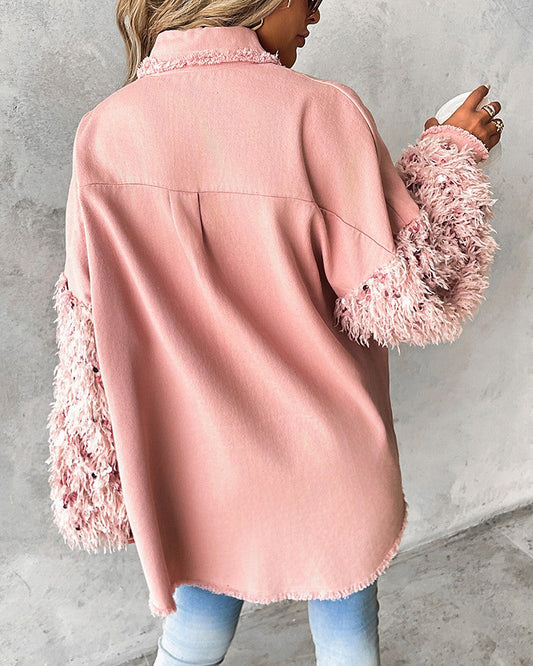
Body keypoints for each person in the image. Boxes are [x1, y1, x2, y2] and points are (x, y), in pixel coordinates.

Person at [46, 0, 503, 664]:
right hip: (327, 458)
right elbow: (412, 294)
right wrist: (449, 154)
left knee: (192, 639)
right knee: (347, 642)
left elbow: (89, 327)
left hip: (193, 464)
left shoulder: (104, 132)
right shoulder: (320, 112)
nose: (317, 8)